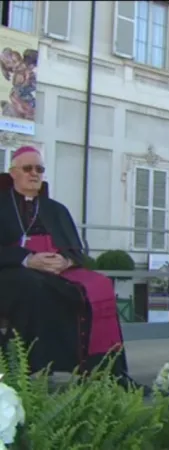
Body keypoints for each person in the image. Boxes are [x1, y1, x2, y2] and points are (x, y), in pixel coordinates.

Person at [0, 147, 134, 385]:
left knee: (100, 285)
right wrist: (27, 259)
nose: (34, 174)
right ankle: (31, 366)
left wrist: (66, 261)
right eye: (27, 168)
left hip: (59, 270)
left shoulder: (56, 209)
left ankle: (110, 370)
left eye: (39, 169)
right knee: (33, 286)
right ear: (13, 173)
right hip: (11, 269)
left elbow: (75, 248)